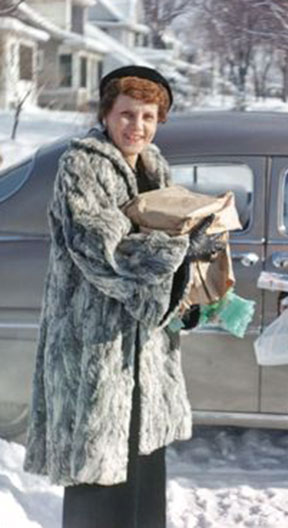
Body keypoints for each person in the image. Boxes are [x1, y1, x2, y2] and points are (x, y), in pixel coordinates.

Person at [22, 65, 222, 528]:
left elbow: (165, 247)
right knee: (99, 487)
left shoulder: (156, 167)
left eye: (148, 116)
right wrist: (177, 249)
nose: (137, 126)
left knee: (142, 485)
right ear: (107, 115)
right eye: (127, 114)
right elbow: (100, 250)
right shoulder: (82, 165)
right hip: (95, 350)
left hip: (145, 357)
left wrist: (187, 291)